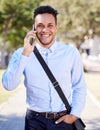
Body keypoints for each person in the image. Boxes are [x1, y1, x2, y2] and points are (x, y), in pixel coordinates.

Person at [2, 5, 87, 130]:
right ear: (34, 28)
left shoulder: (70, 53)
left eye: (50, 25)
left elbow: (79, 86)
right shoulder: (21, 53)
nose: (45, 30)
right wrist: (25, 54)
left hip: (63, 120)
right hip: (34, 122)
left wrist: (74, 115)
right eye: (40, 25)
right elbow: (9, 85)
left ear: (56, 28)